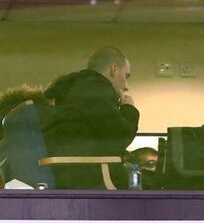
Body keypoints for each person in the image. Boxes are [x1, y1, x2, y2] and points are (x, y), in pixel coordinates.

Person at [42, 46, 139, 189]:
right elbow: (119, 137)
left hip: (64, 172)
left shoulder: (74, 89)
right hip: (87, 177)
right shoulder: (95, 92)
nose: (126, 86)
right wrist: (129, 109)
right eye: (126, 76)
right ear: (114, 70)